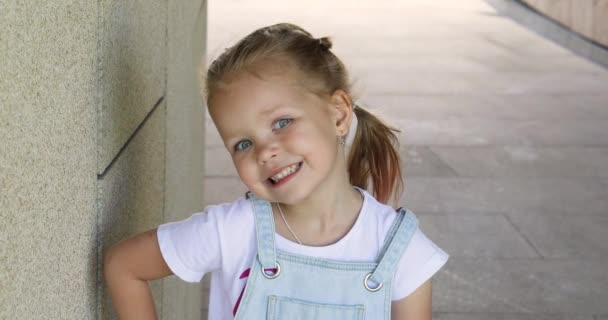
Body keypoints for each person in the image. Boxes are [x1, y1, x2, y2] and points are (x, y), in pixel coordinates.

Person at [104, 22, 449, 320]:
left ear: (339, 115)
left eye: (282, 122)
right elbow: (125, 266)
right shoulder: (234, 231)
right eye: (242, 143)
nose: (265, 151)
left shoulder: (401, 252)